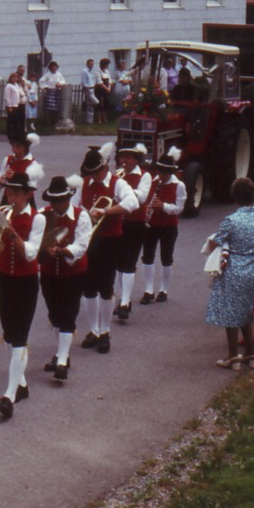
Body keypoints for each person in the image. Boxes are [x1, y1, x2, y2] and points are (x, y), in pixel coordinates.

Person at [0, 173, 44, 418]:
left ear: (28, 194)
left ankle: (9, 395)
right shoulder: (3, 212)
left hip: (26, 281)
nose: (13, 198)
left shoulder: (37, 219)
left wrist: (12, 233)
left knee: (20, 336)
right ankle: (20, 383)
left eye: (17, 193)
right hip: (5, 279)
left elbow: (30, 253)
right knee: (9, 335)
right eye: (10, 193)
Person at [73, 143, 138, 354]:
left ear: (104, 168)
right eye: (89, 173)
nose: (93, 177)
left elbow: (132, 203)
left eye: (96, 172)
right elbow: (75, 207)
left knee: (106, 287)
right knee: (89, 287)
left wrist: (107, 210)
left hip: (110, 239)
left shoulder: (118, 183)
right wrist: (84, 215)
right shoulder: (85, 183)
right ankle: (93, 330)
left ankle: (105, 331)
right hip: (90, 240)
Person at [205, 178, 254, 370]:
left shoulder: (231, 220)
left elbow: (215, 241)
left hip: (233, 268)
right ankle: (250, 352)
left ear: (235, 197)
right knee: (246, 310)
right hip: (253, 267)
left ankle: (233, 356)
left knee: (229, 310)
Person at [38, 176, 93, 382]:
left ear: (68, 199)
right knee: (55, 315)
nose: (56, 205)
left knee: (69, 314)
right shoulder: (42, 215)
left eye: (60, 201)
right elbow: (34, 240)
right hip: (49, 272)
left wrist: (62, 251)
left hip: (73, 273)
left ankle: (62, 360)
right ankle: (62, 353)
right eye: (53, 201)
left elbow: (81, 245)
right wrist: (44, 250)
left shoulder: (81, 216)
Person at [140, 149, 187, 304]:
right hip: (152, 224)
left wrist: (163, 206)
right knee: (147, 256)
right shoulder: (154, 181)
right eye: (159, 172)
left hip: (169, 226)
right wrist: (147, 208)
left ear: (169, 172)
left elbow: (179, 208)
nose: (160, 176)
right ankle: (148, 290)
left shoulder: (179, 185)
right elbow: (146, 199)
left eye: (164, 173)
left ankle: (163, 290)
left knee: (166, 257)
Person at [114, 144, 151, 321]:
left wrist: (122, 191)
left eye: (128, 157)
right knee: (120, 264)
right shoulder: (116, 175)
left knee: (129, 263)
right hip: (117, 223)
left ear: (136, 160)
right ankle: (124, 299)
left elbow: (141, 197)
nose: (124, 161)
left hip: (135, 223)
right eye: (122, 157)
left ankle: (124, 302)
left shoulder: (145, 176)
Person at [4, 72, 27, 138]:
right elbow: (7, 97)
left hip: (17, 105)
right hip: (11, 105)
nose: (15, 79)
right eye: (13, 77)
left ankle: (16, 133)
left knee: (16, 120)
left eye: (16, 77)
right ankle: (10, 134)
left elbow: (20, 93)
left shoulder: (16, 85)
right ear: (10, 78)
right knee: (11, 120)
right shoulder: (8, 86)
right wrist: (9, 106)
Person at [94, 58, 114, 123]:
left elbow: (110, 81)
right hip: (100, 90)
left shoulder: (107, 71)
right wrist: (106, 88)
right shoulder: (98, 71)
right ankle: (99, 119)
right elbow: (100, 82)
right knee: (100, 104)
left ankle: (105, 118)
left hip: (106, 90)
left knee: (105, 104)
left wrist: (109, 88)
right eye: (107, 64)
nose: (107, 66)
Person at [80, 59, 99, 124]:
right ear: (87, 64)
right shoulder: (84, 71)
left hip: (92, 89)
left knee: (91, 106)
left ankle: (89, 121)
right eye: (90, 64)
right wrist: (87, 88)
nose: (91, 65)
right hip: (88, 90)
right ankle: (88, 119)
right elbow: (83, 82)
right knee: (96, 102)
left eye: (92, 64)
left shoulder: (91, 72)